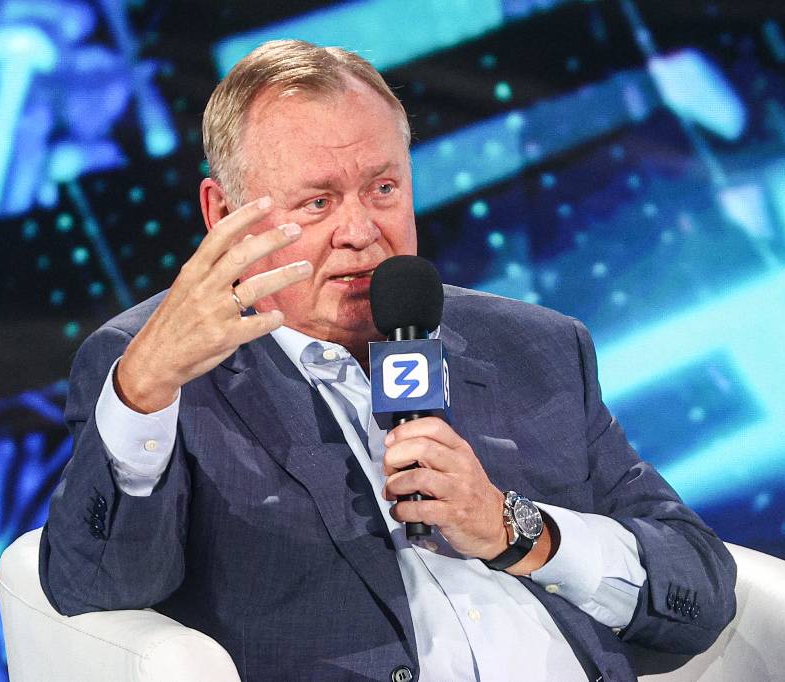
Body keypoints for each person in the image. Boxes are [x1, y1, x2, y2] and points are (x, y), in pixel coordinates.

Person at [39, 40, 736, 682]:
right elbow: (93, 592)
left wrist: (514, 528)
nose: (360, 231)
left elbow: (701, 590)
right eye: (318, 202)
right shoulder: (159, 373)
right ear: (224, 213)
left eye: (383, 190)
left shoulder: (535, 346)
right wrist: (143, 391)